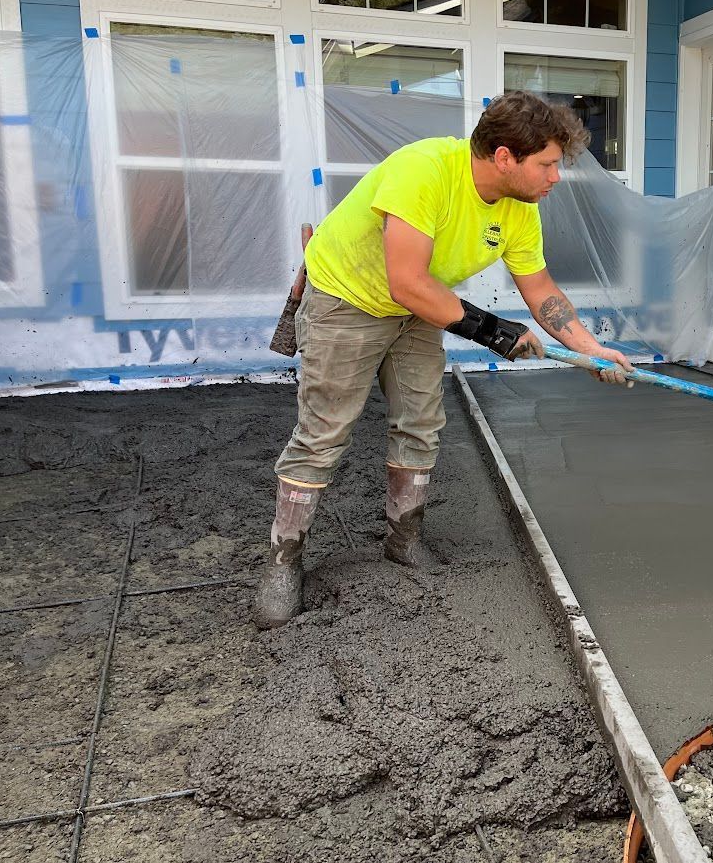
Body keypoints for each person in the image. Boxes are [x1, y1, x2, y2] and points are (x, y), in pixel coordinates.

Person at [253, 91, 634, 629]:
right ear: (506, 157)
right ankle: (283, 561)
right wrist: (493, 331)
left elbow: (540, 288)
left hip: (418, 307)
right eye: (547, 164)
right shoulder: (424, 170)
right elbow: (405, 281)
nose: (555, 177)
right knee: (325, 432)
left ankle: (403, 540)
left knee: (421, 422)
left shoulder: (519, 209)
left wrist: (591, 350)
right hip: (348, 298)